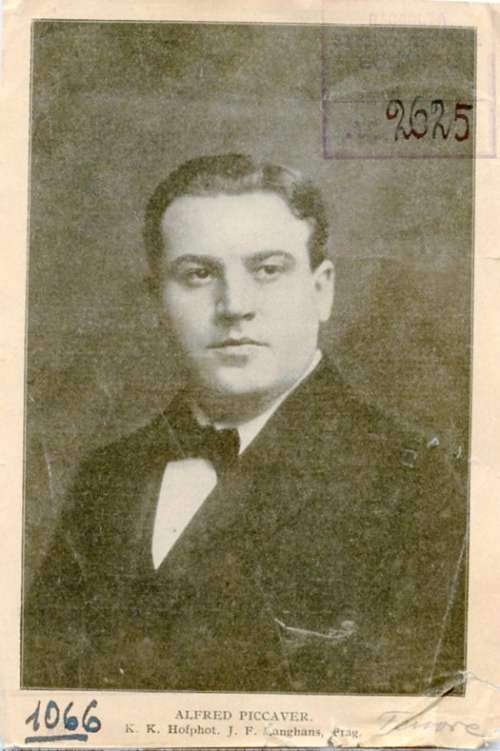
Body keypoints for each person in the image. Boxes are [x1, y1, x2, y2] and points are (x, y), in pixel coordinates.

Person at [23, 154, 466, 694]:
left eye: (267, 270)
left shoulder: (413, 482)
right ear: (157, 301)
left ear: (322, 290)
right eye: (199, 274)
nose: (234, 306)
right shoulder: (107, 476)